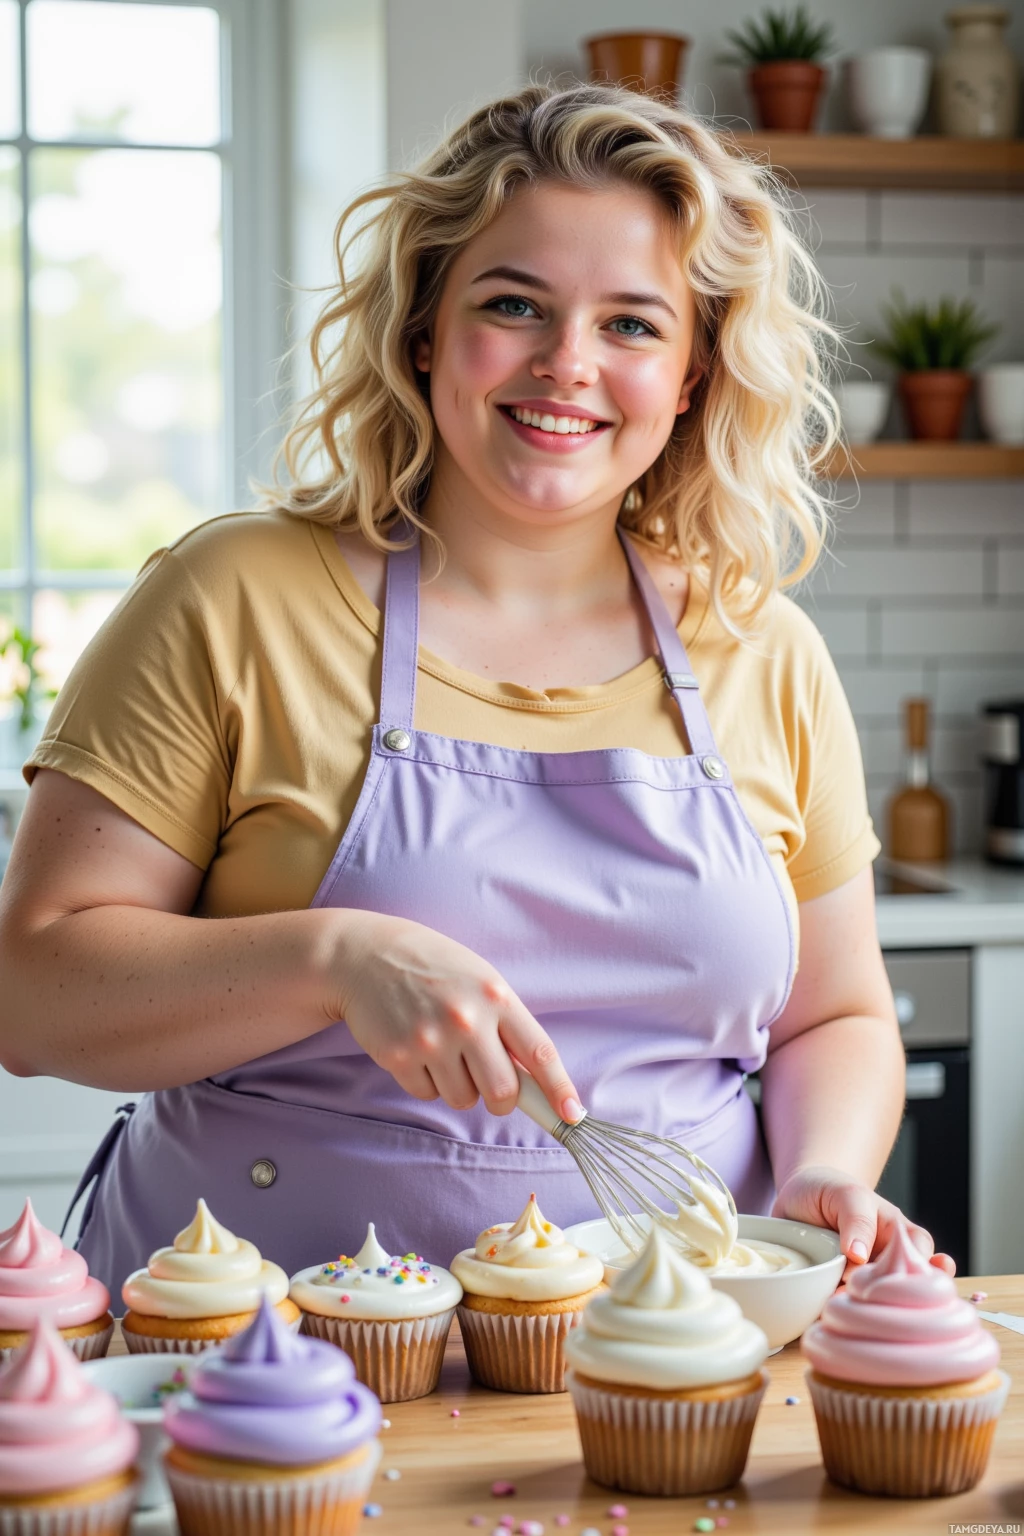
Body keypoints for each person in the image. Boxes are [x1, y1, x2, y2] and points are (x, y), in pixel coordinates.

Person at [0, 84, 950, 1292]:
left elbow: (836, 1017)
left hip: (666, 1347)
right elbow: (31, 997)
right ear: (422, 333)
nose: (567, 365)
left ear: (695, 374)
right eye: (514, 306)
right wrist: (333, 959)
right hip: (254, 1356)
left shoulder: (760, 648)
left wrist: (824, 1167)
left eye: (632, 325)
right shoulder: (233, 597)